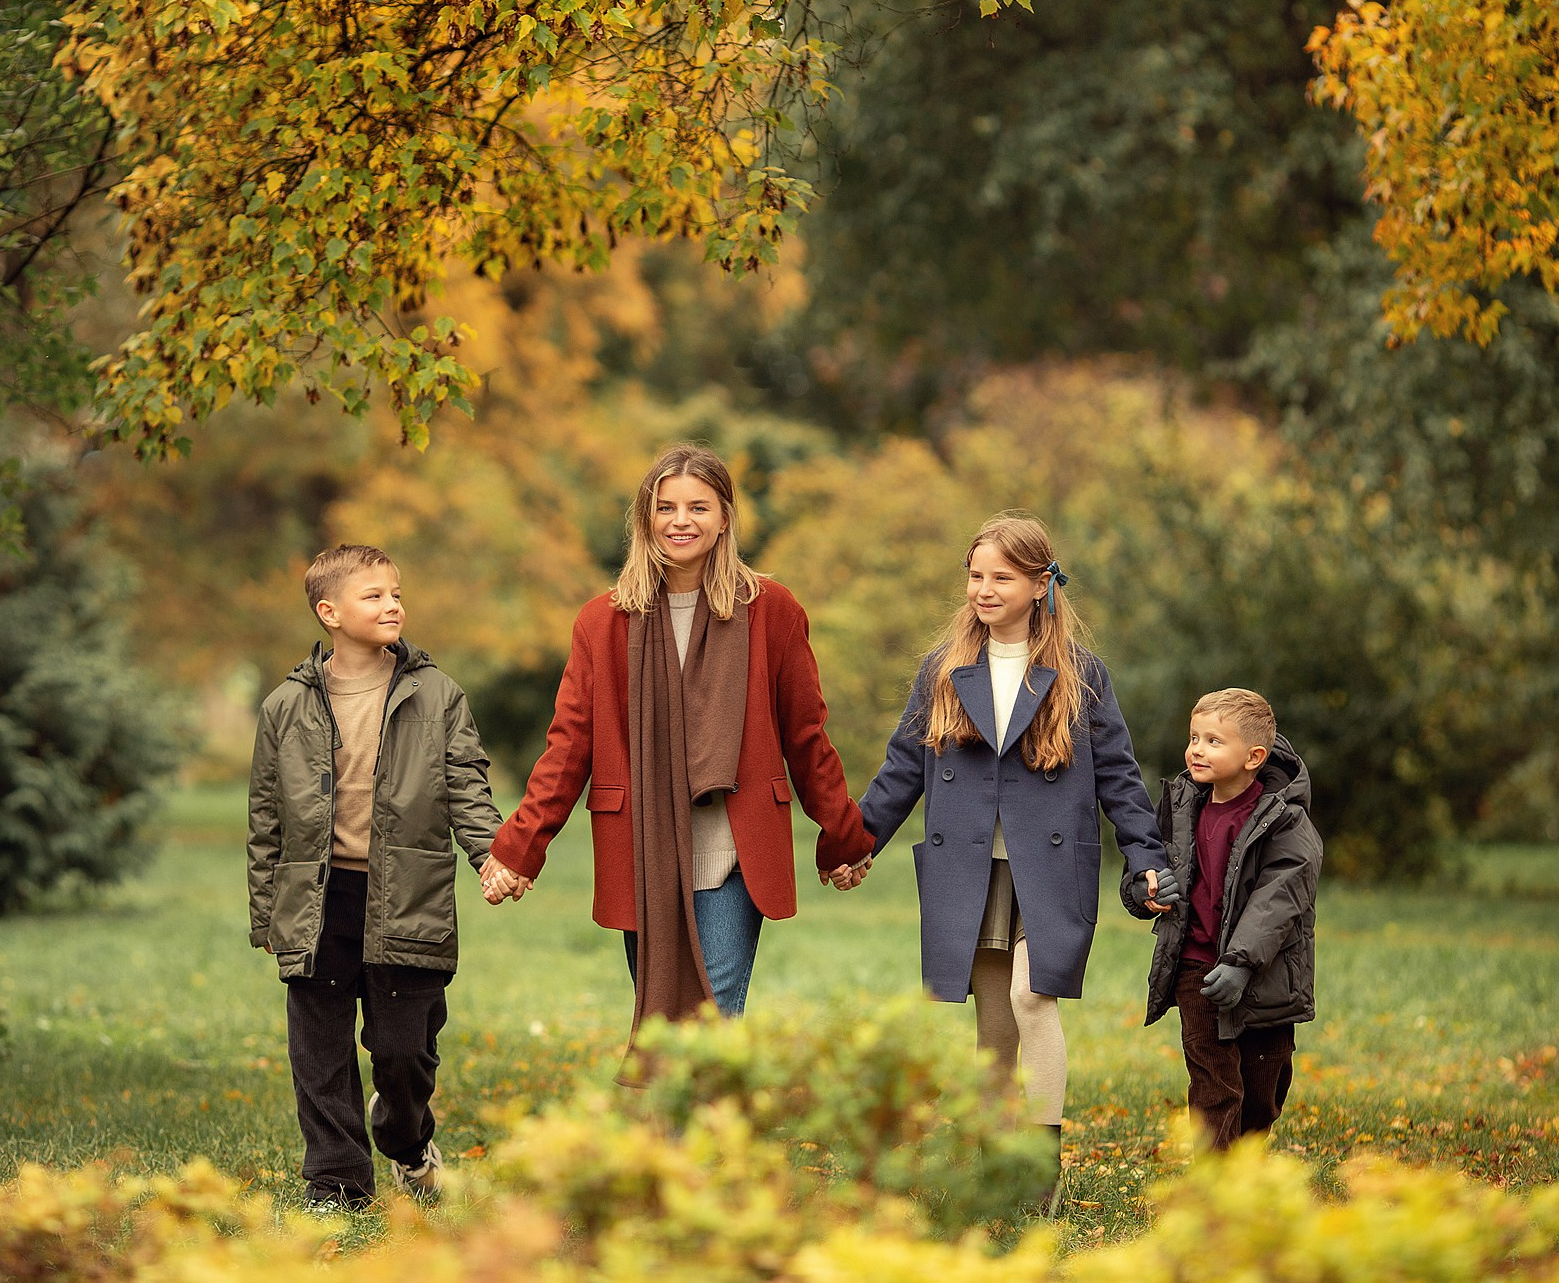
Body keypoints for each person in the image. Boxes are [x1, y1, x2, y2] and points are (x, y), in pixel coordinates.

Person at [479, 444, 874, 1033]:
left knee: (713, 1021)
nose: (681, 521)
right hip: (644, 851)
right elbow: (569, 747)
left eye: (698, 507)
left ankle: (705, 1127)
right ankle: (677, 1127)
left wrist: (843, 833)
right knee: (664, 1027)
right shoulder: (602, 621)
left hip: (735, 850)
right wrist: (520, 845)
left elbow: (806, 736)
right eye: (666, 508)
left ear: (724, 518)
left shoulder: (772, 611)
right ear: (646, 519)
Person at [853, 513, 1175, 1168]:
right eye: (976, 575)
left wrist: (1145, 854)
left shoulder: (1082, 674)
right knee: (995, 1024)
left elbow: (1118, 774)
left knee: (1033, 996)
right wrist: (855, 843)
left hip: (1049, 868)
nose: (984, 589)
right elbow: (901, 770)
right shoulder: (942, 669)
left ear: (1039, 584)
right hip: (970, 869)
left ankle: (1039, 1163)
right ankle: (991, 1158)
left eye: (1001, 576)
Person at [246, 544, 501, 1212]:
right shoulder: (285, 706)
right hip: (317, 900)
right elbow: (266, 815)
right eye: (374, 595)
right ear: (329, 612)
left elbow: (467, 787)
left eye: (396, 592)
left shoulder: (436, 694)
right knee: (320, 1052)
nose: (393, 604)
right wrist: (266, 912)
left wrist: (492, 855)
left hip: (407, 894)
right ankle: (336, 1180)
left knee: (403, 1051)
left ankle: (407, 1139)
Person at [1120, 688, 1322, 1151]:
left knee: (1262, 1091)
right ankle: (1216, 1191)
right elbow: (1142, 866)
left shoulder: (1284, 819)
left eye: (1213, 741)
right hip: (1197, 968)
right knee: (1214, 1085)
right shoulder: (1180, 807)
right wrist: (1145, 890)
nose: (1197, 749)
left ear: (1253, 756)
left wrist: (1242, 961)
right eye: (1194, 737)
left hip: (1263, 972)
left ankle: (1244, 1168)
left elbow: (1282, 895)